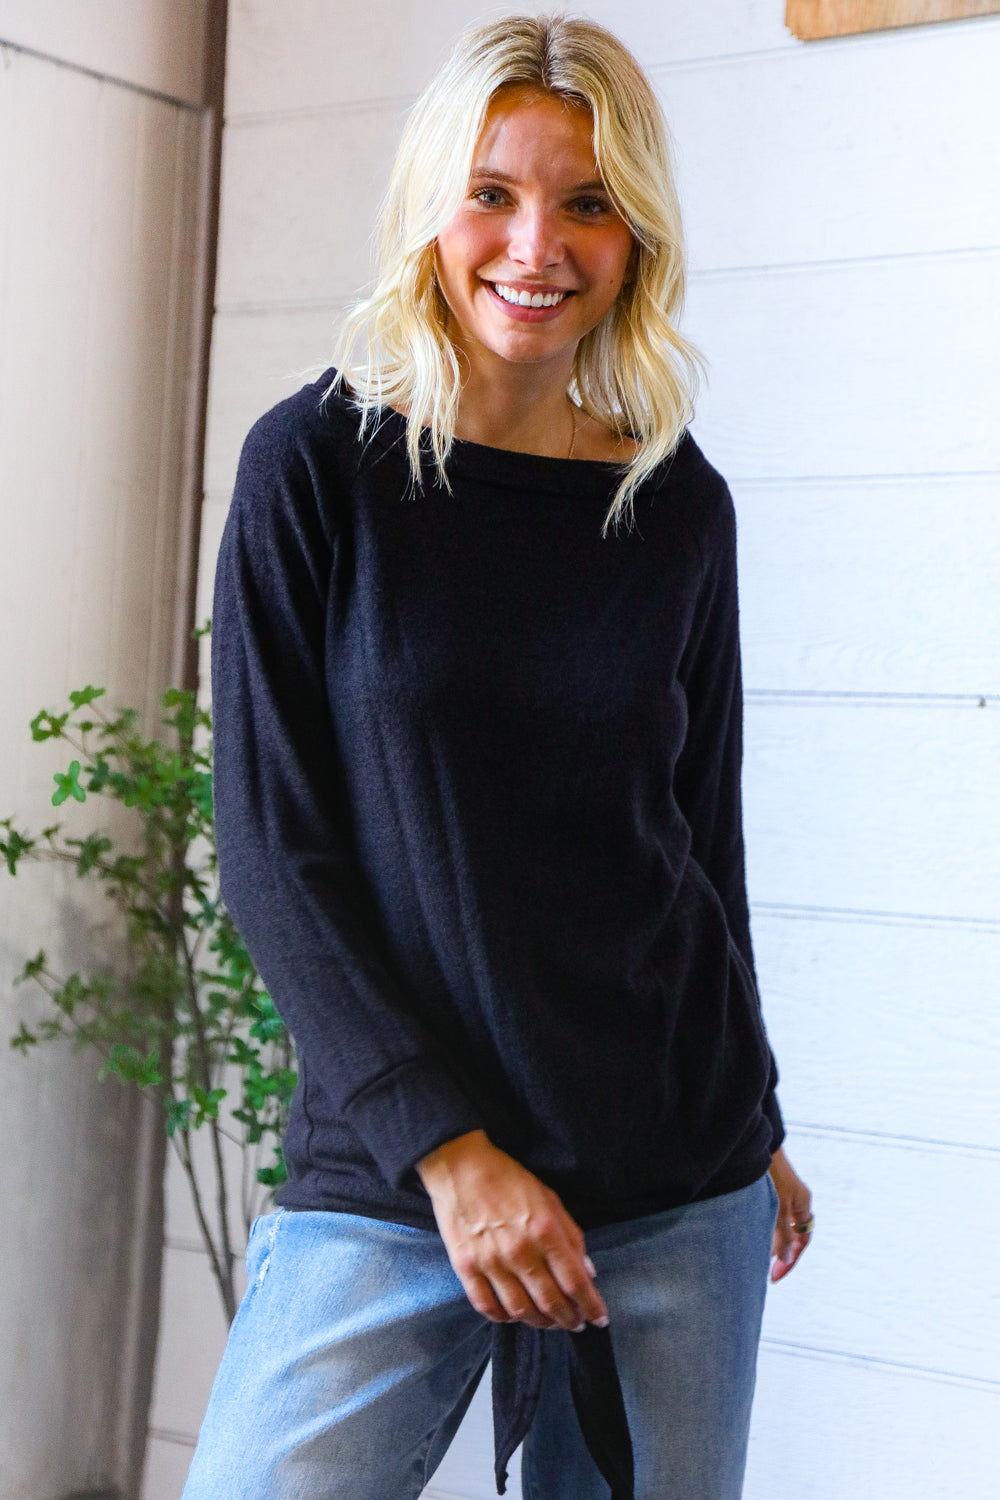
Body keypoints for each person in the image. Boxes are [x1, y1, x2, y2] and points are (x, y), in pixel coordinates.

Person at [182, 14, 814, 1500]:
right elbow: (273, 852)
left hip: (671, 1179)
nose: (537, 245)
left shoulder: (676, 506)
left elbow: (697, 838)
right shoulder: (315, 469)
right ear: (432, 208)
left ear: (636, 234)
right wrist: (450, 1155)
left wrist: (756, 1114)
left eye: (587, 202)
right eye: (493, 193)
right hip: (401, 1178)